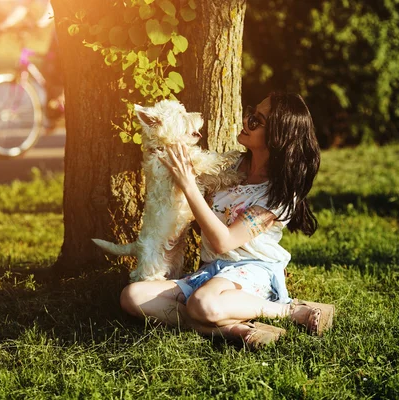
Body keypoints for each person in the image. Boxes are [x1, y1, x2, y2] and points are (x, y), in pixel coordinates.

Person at [120, 92, 335, 349]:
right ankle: (237, 329)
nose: (246, 121)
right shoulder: (231, 165)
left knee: (202, 304)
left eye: (256, 121)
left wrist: (187, 184)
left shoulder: (278, 195)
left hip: (252, 270)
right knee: (132, 296)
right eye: (251, 112)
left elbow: (224, 241)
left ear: (276, 137)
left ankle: (291, 311)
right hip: (212, 271)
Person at [0, 0, 64, 124]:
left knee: (56, 68)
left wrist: (40, 23)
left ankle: (61, 106)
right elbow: (20, 7)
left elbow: (52, 8)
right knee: (47, 69)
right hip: (54, 32)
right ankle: (54, 113)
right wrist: (5, 25)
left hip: (63, 29)